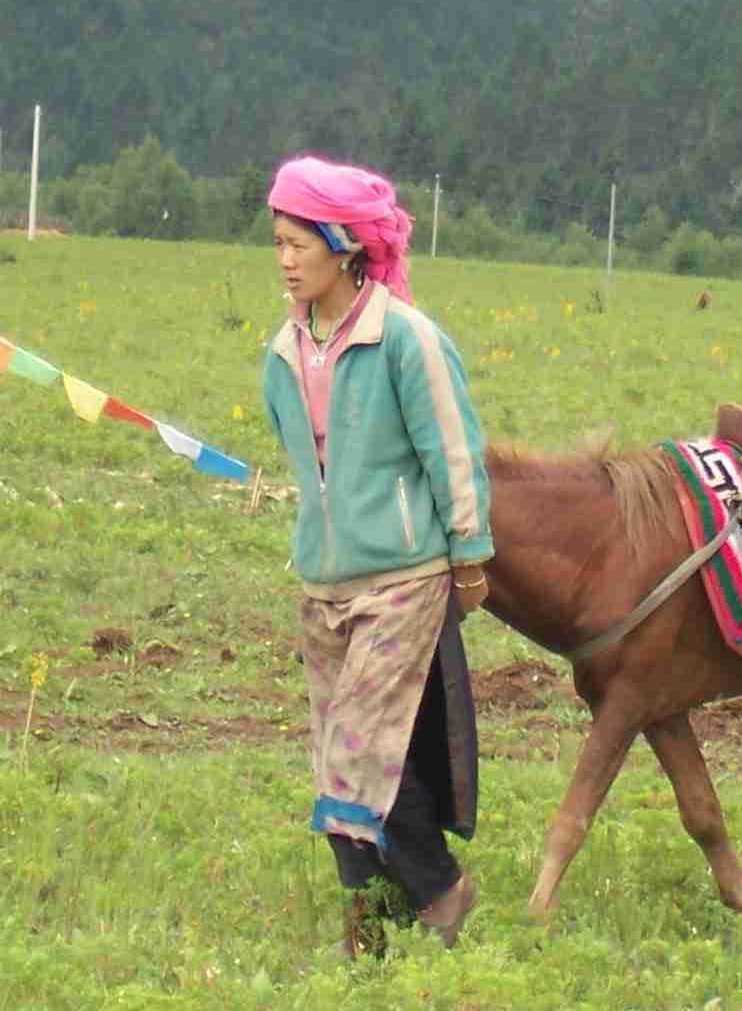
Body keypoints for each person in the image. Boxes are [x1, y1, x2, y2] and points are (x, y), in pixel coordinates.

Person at [263, 155, 494, 955]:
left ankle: (439, 893)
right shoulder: (284, 351)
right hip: (324, 582)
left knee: (363, 749)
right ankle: (372, 925)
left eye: (299, 243)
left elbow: (452, 449)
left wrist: (468, 555)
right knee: (338, 762)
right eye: (278, 243)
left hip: (403, 578)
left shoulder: (407, 339)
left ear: (342, 244)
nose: (286, 260)